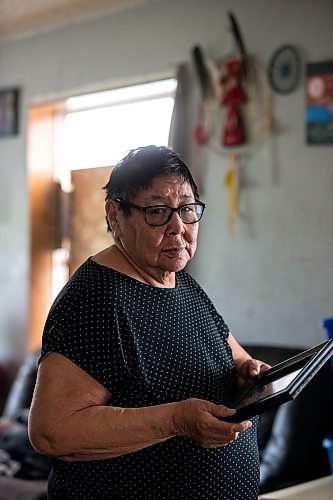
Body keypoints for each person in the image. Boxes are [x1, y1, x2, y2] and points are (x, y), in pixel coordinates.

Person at [28, 145, 269, 499]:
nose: (178, 228)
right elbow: (52, 430)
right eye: (157, 211)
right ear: (115, 215)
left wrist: (249, 370)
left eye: (186, 210)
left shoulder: (179, 280)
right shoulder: (95, 298)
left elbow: (235, 358)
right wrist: (175, 420)